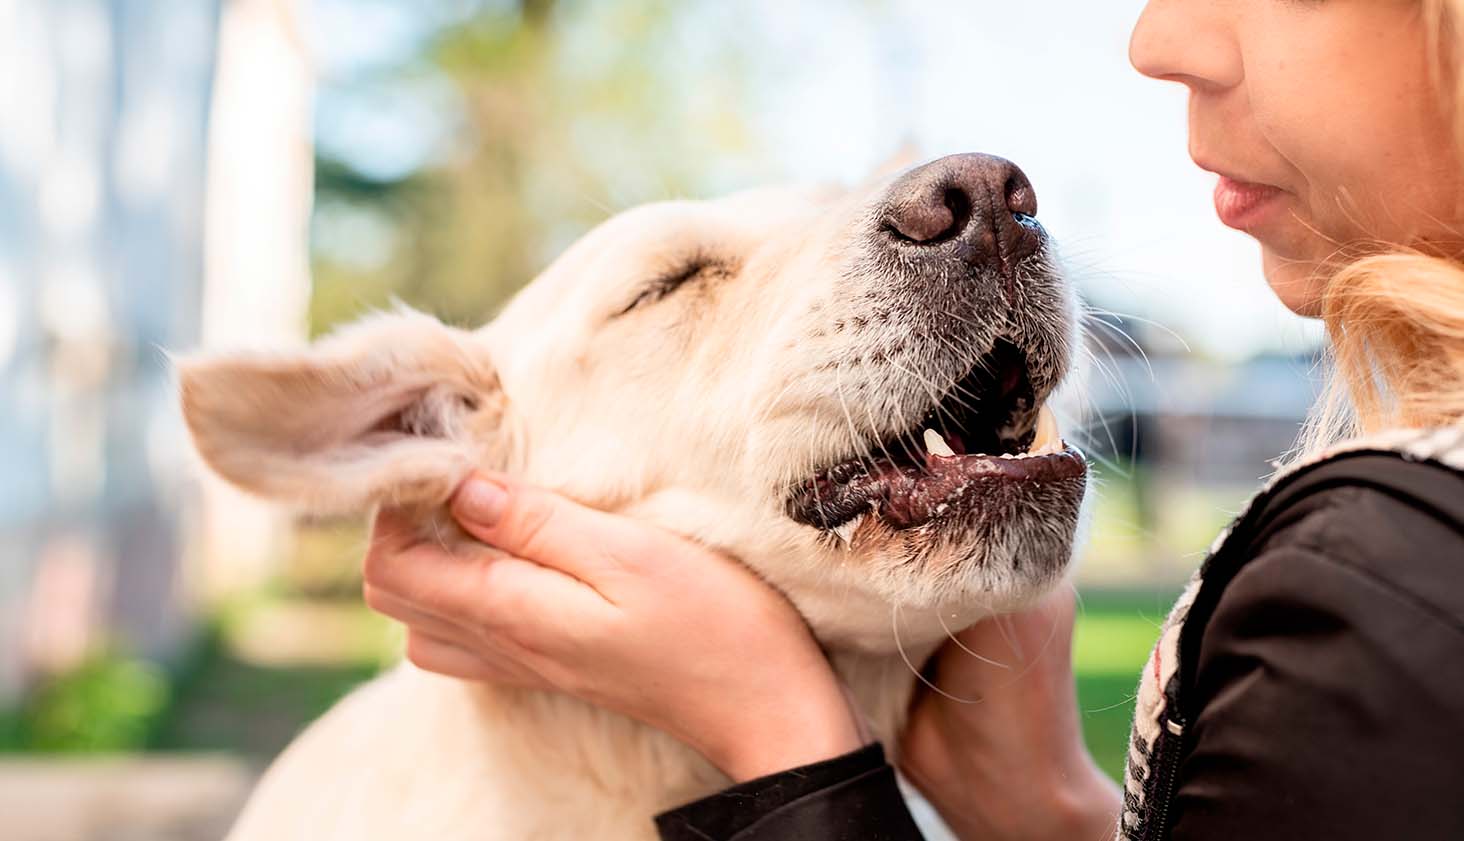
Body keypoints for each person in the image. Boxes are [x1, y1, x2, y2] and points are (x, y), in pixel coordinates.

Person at [360, 1, 1464, 838]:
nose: (1158, 35)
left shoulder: (1388, 575)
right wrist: (1047, 810)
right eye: (679, 283)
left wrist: (782, 742)